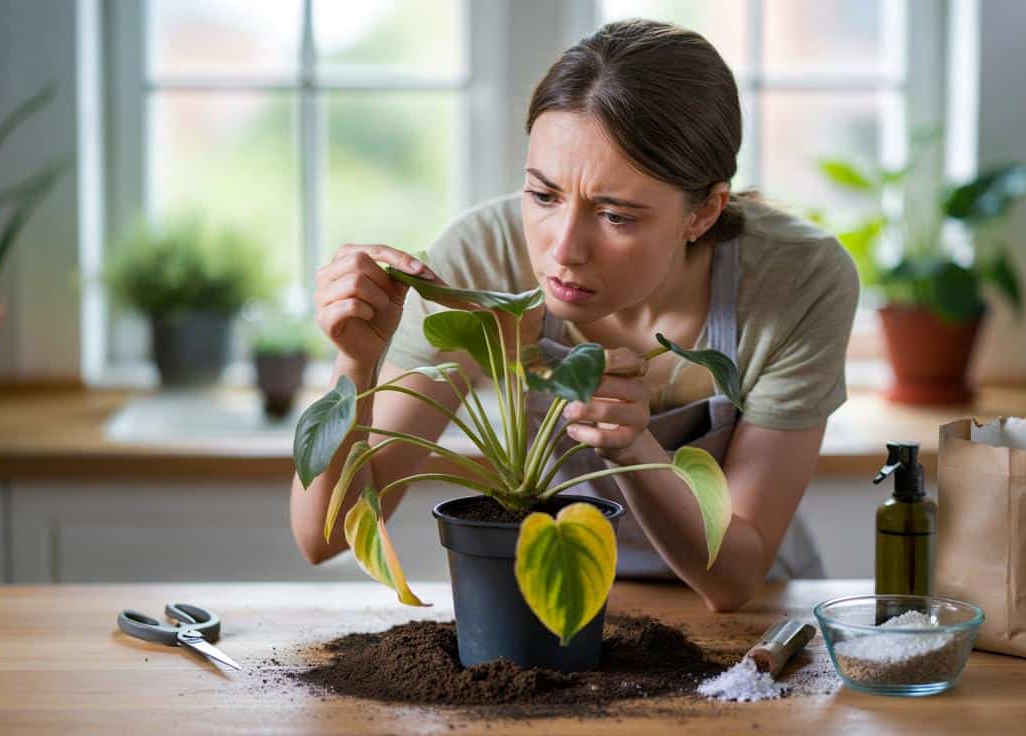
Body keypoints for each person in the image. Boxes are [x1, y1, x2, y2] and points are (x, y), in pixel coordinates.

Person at [289, 18, 859, 612]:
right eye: (543, 195)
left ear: (703, 213)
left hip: (754, 621)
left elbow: (734, 580)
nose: (563, 250)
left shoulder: (798, 279)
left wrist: (632, 445)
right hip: (556, 603)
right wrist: (357, 363)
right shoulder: (480, 260)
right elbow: (322, 538)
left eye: (616, 216)